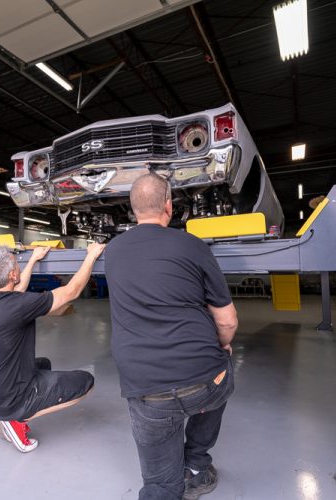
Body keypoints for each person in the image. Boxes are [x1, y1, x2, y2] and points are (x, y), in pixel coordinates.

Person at [104, 173, 238, 500]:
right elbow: (228, 320)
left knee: (161, 487)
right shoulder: (193, 245)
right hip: (204, 379)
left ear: (133, 210)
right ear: (168, 206)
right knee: (222, 374)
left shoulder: (113, 251)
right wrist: (223, 346)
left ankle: (169, 482)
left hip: (147, 389)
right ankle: (196, 464)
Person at [0, 242, 105, 453]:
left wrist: (32, 260)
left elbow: (16, 290)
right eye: (17, 264)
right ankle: (14, 418)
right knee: (86, 381)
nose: (19, 267)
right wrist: (91, 256)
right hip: (7, 401)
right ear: (13, 275)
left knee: (44, 364)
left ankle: (5, 411)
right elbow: (71, 291)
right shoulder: (18, 305)